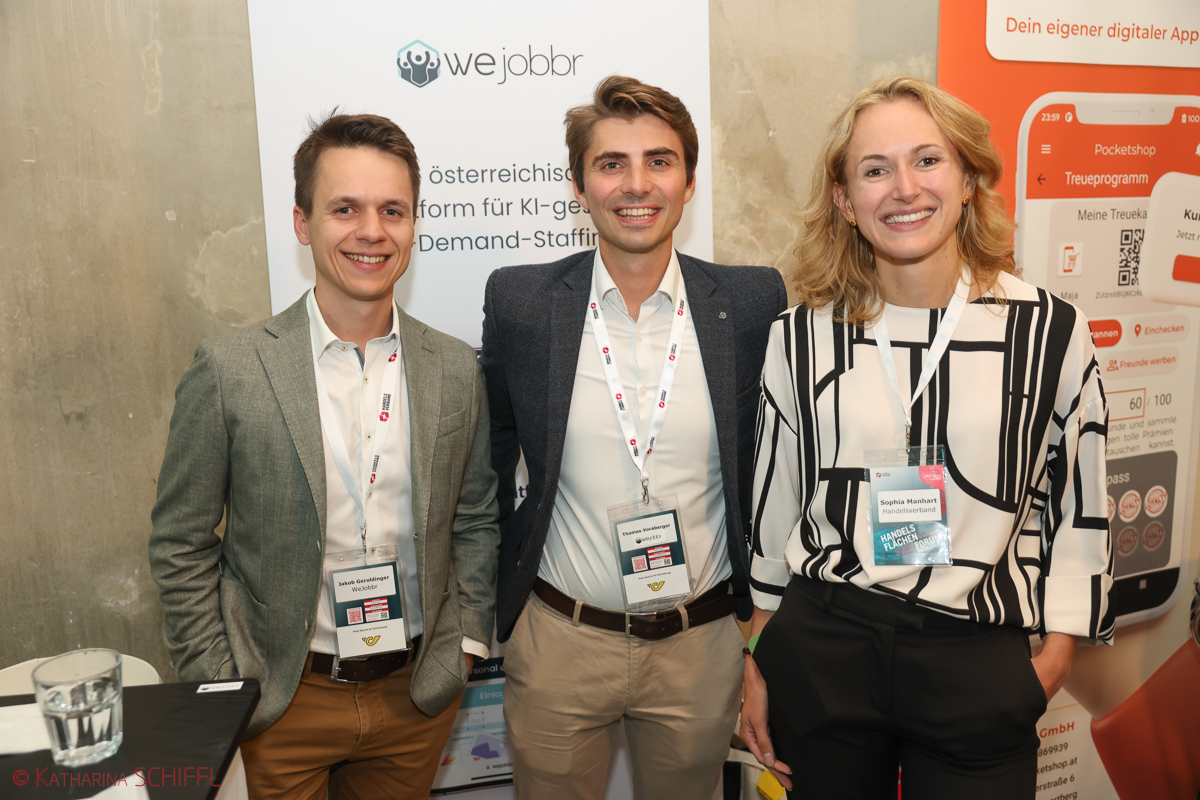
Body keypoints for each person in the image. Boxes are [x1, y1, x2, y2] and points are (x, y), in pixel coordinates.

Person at [740, 76, 1113, 799]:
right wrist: (758, 655)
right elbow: (775, 501)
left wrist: (1059, 648)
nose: (904, 189)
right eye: (875, 170)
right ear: (845, 200)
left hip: (977, 654)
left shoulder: (1048, 331)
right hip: (825, 650)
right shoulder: (801, 336)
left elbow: (1081, 500)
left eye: (928, 160)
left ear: (969, 179)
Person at [149, 113, 499, 799]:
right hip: (280, 700)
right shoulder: (230, 370)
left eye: (392, 210)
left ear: (413, 224)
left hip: (415, 695)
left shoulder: (455, 368)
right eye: (345, 209)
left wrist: (464, 645)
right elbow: (180, 542)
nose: (372, 231)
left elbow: (476, 517)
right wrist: (223, 680)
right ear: (302, 223)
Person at [480, 75, 787, 799]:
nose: (637, 184)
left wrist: (758, 638)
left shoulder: (751, 303)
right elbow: (487, 463)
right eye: (611, 163)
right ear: (578, 186)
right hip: (559, 641)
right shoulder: (522, 302)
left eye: (659, 161)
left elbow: (776, 475)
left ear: (689, 182)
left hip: (702, 646)